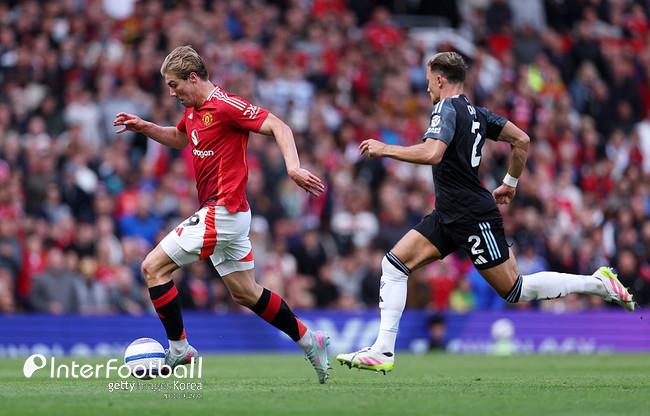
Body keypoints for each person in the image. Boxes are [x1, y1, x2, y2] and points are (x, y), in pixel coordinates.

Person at [336, 52, 634, 374]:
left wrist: (385, 149)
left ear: (440, 80)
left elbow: (433, 153)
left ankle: (598, 284)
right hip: (448, 214)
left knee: (515, 289)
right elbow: (521, 139)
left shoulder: (446, 108)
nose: (427, 89)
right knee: (394, 265)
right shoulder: (477, 113)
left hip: (472, 216)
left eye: (428, 82)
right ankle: (383, 350)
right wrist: (510, 183)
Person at [113, 45, 330, 383]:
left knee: (152, 267)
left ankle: (179, 348)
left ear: (193, 77)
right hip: (228, 215)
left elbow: (279, 126)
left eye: (174, 85)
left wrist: (293, 167)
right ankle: (308, 339)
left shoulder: (227, 106)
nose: (171, 93)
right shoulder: (192, 110)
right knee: (245, 292)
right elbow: (179, 138)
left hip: (224, 210)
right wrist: (145, 127)